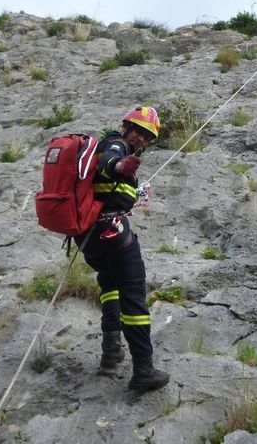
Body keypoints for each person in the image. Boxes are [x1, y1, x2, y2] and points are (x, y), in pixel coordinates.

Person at [74, 106, 169, 392]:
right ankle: (143, 370)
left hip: (90, 239)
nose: (141, 138)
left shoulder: (123, 148)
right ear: (126, 125)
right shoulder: (116, 143)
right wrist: (119, 166)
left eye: (146, 135)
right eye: (138, 131)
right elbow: (108, 160)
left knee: (111, 287)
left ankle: (111, 353)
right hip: (112, 234)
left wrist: (132, 188)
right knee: (134, 295)